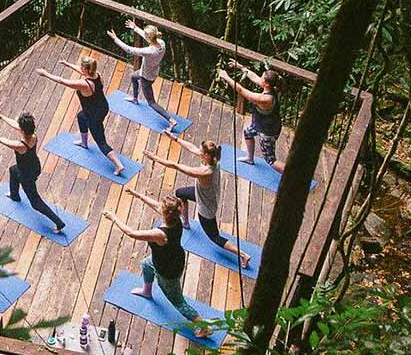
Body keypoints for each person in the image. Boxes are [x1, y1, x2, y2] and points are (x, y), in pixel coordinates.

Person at [103, 192, 211, 338]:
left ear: (165, 213)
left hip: (167, 270)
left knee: (178, 302)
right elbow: (156, 205)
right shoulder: (176, 219)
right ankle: (147, 291)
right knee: (146, 264)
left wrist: (114, 218)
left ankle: (205, 327)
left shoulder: (159, 234)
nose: (159, 207)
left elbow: (131, 233)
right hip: (170, 257)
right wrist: (138, 195)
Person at [144, 136, 251, 269]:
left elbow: (176, 166)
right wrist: (175, 139)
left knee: (215, 237)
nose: (198, 152)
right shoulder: (214, 159)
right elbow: (192, 148)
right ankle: (185, 222)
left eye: (201, 151)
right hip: (203, 194)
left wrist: (155, 158)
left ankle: (243, 255)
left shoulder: (204, 172)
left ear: (206, 155)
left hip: (206, 207)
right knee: (180, 193)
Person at [0, 111, 66, 233]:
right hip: (34, 166)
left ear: (22, 130)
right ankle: (14, 195)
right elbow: (15, 125)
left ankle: (59, 223)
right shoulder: (33, 135)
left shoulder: (20, 145)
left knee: (35, 202)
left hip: (26, 174)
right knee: (13, 170)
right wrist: (1, 116)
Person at [36, 56, 127, 177]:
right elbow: (80, 70)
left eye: (81, 67)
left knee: (101, 142)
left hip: (94, 114)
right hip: (103, 107)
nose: (80, 68)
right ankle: (84, 143)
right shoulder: (97, 75)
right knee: (81, 116)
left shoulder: (84, 84)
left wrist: (45, 74)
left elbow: (62, 81)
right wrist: (67, 64)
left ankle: (118, 165)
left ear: (86, 69)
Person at [107, 20, 183, 132]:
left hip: (146, 77)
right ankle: (135, 99)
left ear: (150, 37)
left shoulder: (150, 51)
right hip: (152, 71)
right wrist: (135, 28)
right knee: (133, 76)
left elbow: (129, 49)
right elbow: (148, 38)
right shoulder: (161, 43)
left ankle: (171, 120)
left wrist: (115, 39)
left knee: (151, 103)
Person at [219, 60, 284, 173]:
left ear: (266, 84)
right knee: (248, 132)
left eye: (262, 77)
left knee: (270, 160)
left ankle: (294, 176)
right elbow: (254, 77)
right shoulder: (273, 88)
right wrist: (240, 66)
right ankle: (250, 158)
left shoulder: (265, 99)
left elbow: (241, 90)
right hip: (262, 124)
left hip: (268, 131)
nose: (260, 78)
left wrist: (226, 77)